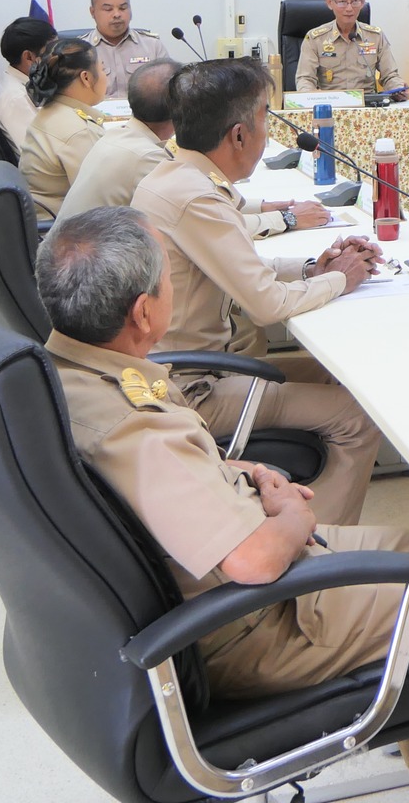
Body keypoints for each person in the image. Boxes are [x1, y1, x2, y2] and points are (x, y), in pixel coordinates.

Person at [36, 206, 409, 803]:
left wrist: (240, 472)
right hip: (255, 625)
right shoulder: (137, 429)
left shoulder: (67, 376)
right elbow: (254, 561)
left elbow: (162, 481)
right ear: (143, 313)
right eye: (168, 279)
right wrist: (293, 514)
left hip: (214, 588)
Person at [133, 59, 387, 525]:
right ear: (238, 135)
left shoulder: (178, 177)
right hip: (189, 387)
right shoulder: (198, 198)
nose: (267, 133)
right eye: (265, 120)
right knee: (359, 417)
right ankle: (317, 546)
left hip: (180, 369)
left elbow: (243, 270)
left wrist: (315, 268)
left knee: (334, 374)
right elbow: (266, 305)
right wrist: (342, 278)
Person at [61, 60, 333, 238]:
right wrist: (287, 218)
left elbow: (207, 210)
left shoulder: (124, 136)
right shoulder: (147, 158)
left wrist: (261, 207)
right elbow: (214, 226)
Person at [18, 37, 110, 218]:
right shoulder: (78, 132)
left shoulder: (52, 111)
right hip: (63, 227)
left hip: (53, 219)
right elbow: (99, 200)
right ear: (86, 78)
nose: (105, 76)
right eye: (103, 69)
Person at [294, 0, 407, 97]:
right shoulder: (315, 39)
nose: (349, 8)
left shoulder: (375, 37)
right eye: (342, 2)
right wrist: (312, 97)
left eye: (355, 1)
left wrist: (398, 89)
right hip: (331, 102)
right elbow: (305, 79)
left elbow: (390, 76)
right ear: (330, 2)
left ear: (362, 1)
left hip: (367, 103)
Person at [85, 0, 170, 100]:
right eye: (108, 9)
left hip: (142, 112)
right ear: (92, 12)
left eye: (123, 8)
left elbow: (168, 90)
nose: (117, 14)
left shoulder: (153, 46)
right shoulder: (80, 51)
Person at [0, 15, 56, 152]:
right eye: (52, 51)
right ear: (29, 57)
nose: (57, 57)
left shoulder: (26, 83)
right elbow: (39, 153)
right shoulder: (15, 99)